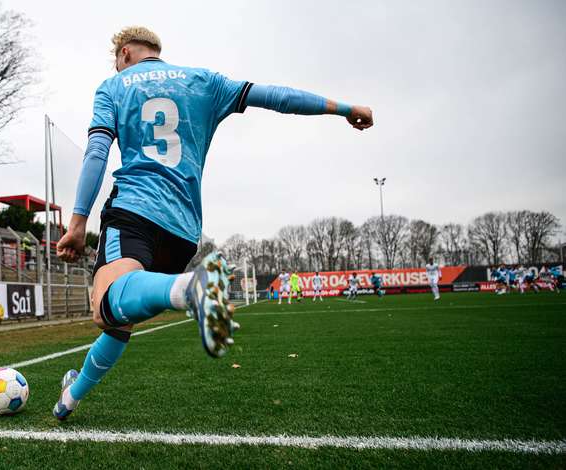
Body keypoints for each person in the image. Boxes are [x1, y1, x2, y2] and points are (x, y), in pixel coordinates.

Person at [52, 26, 373, 421]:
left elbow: (97, 150)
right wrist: (344, 108)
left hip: (134, 211)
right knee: (122, 319)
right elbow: (276, 97)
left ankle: (193, 288)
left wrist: (78, 221)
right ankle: (70, 398)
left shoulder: (114, 86)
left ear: (123, 53)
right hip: (184, 228)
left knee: (105, 305)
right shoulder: (204, 80)